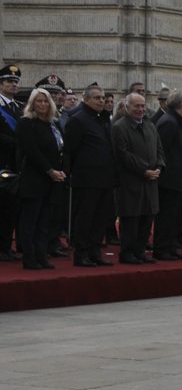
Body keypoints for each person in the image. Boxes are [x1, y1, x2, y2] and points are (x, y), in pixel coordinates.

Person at [62, 84, 116, 267]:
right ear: (85, 99)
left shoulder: (104, 119)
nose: (101, 101)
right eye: (97, 98)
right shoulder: (78, 120)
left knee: (100, 219)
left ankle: (95, 252)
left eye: (102, 98)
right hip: (86, 179)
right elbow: (70, 150)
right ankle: (81, 253)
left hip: (105, 178)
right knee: (85, 218)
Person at [14, 88, 67, 269]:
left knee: (45, 222)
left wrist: (59, 171)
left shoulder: (51, 123)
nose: (43, 104)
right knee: (30, 221)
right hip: (34, 179)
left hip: (51, 181)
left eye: (45, 101)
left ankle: (41, 255)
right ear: (32, 104)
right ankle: (29, 258)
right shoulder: (26, 123)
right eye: (39, 101)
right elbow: (32, 151)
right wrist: (50, 170)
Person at [109, 90, 163, 264]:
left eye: (142, 106)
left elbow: (159, 150)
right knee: (131, 219)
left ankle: (140, 251)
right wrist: (144, 170)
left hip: (151, 181)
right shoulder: (119, 127)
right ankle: (127, 253)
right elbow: (123, 155)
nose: (140, 109)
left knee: (147, 219)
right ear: (127, 106)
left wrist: (159, 166)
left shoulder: (150, 126)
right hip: (131, 182)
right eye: (137, 106)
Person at [152, 91, 182, 261]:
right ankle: (162, 249)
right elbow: (162, 150)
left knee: (173, 216)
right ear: (180, 105)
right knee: (166, 216)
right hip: (168, 179)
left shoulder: (176, 121)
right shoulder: (169, 122)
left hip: (176, 178)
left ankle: (169, 246)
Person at [0, 64, 26, 261]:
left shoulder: (18, 107)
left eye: (16, 81)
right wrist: (18, 143)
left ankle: (7, 247)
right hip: (2, 161)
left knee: (12, 209)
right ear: (0, 85)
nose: (14, 85)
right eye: (10, 81)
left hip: (17, 164)